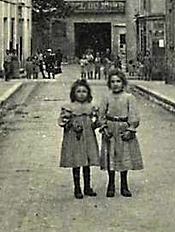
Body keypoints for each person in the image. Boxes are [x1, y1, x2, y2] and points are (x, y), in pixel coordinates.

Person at [98, 68, 143, 198]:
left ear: (123, 83)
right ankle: (111, 184)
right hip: (111, 129)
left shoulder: (129, 97)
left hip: (123, 128)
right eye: (112, 82)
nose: (115, 84)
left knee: (124, 156)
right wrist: (104, 127)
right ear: (109, 84)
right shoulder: (106, 97)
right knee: (110, 156)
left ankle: (124, 184)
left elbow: (133, 115)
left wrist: (131, 129)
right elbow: (101, 115)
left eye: (118, 81)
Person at [58, 79, 100, 199]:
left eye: (84, 91)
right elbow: (62, 121)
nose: (81, 94)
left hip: (88, 136)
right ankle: (77, 188)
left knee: (86, 161)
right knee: (76, 161)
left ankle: (87, 187)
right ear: (73, 93)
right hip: (74, 137)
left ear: (88, 94)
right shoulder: (69, 107)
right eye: (78, 91)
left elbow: (97, 120)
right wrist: (71, 123)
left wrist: (95, 123)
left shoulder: (91, 107)